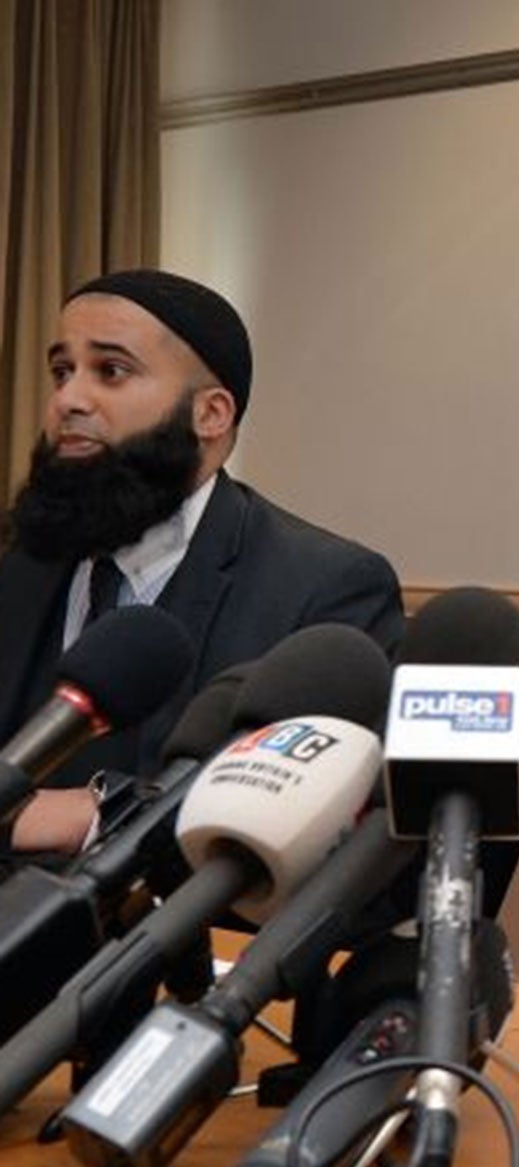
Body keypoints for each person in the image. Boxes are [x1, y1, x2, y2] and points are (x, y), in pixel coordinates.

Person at [0, 269, 403, 857]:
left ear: (210, 414)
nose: (68, 399)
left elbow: (327, 829)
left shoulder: (325, 592)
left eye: (110, 371)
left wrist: (96, 811)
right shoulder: (23, 572)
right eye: (62, 372)